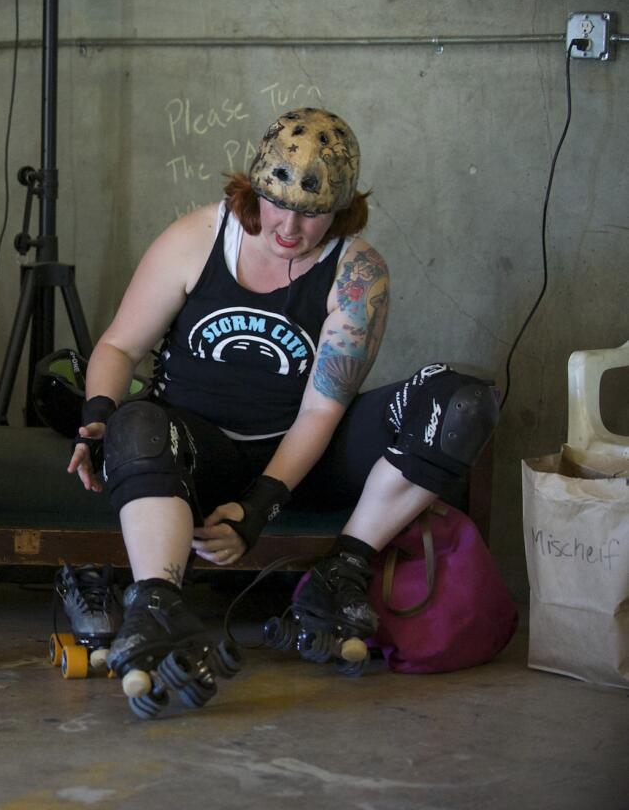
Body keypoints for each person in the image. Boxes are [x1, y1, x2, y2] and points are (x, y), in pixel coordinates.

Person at [66, 107, 498, 693]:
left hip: (303, 454)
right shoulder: (198, 236)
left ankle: (343, 567)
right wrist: (97, 414)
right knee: (133, 421)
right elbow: (118, 346)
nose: (291, 229)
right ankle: (159, 603)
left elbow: (322, 409)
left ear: (342, 211)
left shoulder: (356, 272)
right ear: (254, 189)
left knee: (463, 402)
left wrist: (261, 506)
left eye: (313, 214)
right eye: (279, 205)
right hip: (194, 447)